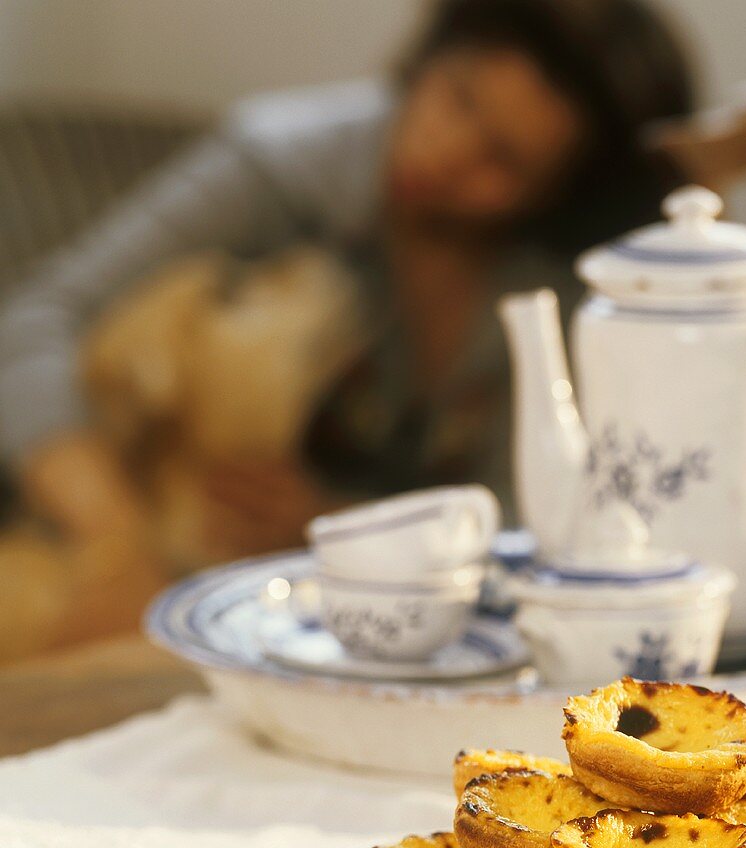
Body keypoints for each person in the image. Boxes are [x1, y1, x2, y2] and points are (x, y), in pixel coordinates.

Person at [0, 0, 693, 640]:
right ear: (430, 56)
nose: (445, 148)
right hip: (151, 562)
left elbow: (546, 517)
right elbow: (35, 322)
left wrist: (340, 528)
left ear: (557, 196)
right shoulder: (279, 164)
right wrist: (118, 541)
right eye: (458, 96)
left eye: (501, 159)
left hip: (383, 621)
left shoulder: (557, 285)